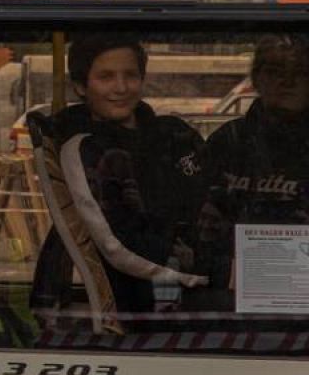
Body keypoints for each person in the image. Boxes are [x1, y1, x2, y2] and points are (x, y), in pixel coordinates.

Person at [29, 34, 205, 316]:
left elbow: (212, 199)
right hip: (147, 295)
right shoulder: (84, 150)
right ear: (80, 86)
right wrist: (204, 269)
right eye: (106, 77)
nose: (121, 88)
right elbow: (119, 245)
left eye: (131, 75)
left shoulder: (174, 133)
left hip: (191, 272)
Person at [192, 34, 309, 306]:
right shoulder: (228, 141)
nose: (287, 81)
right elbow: (197, 225)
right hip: (226, 294)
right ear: (256, 79)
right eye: (275, 71)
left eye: (300, 72)